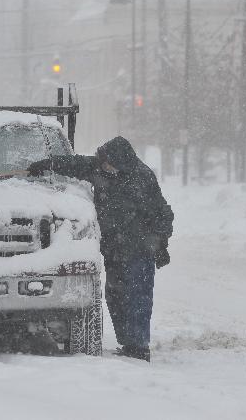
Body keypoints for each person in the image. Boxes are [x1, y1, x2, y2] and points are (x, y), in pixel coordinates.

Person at [28, 136, 173, 362]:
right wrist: (47, 164)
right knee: (115, 297)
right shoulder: (100, 169)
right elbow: (74, 164)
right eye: (102, 161)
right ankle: (127, 342)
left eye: (107, 162)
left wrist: (161, 242)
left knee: (138, 299)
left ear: (119, 161)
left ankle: (139, 346)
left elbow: (162, 213)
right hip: (114, 249)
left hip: (139, 251)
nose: (103, 165)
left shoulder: (141, 178)